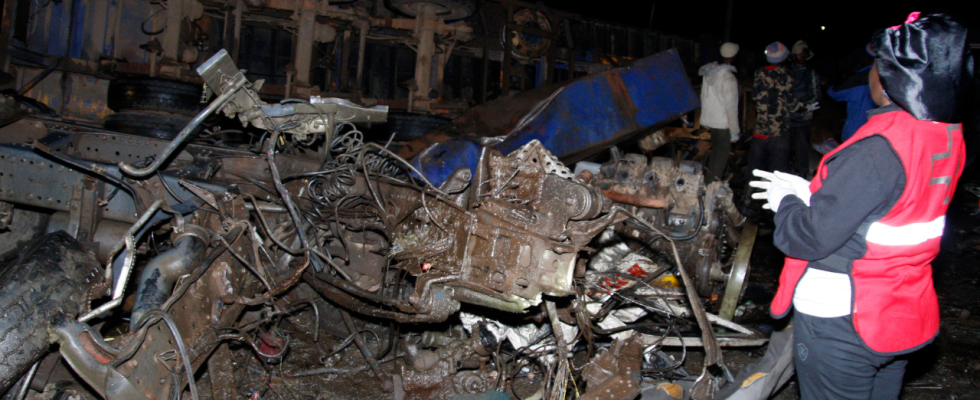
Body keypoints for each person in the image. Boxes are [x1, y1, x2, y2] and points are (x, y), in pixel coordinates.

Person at [750, 12, 972, 400]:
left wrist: (785, 200)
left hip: (845, 318)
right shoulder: (944, 137)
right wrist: (818, 191)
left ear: (889, 79)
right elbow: (890, 205)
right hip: (902, 309)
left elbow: (808, 238)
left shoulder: (878, 150)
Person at [744, 41, 794, 186]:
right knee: (777, 174)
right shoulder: (787, 75)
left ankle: (747, 200)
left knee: (754, 171)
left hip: (759, 132)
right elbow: (791, 103)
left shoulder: (759, 73)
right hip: (779, 134)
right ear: (783, 58)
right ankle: (772, 205)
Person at [699, 42, 741, 181]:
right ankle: (712, 190)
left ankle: (705, 186)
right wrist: (734, 131)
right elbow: (731, 107)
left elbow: (704, 97)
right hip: (724, 126)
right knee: (719, 161)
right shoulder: (728, 78)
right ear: (733, 57)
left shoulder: (709, 73)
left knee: (714, 158)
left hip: (713, 123)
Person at [827, 44, 877, 142]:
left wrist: (829, 81)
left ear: (864, 58)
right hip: (878, 132)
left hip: (856, 132)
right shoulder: (888, 76)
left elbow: (834, 92)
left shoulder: (857, 78)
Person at [787, 41, 821, 177]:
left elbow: (816, 94)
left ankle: (801, 176)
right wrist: (792, 105)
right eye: (799, 53)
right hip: (787, 117)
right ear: (794, 55)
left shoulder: (811, 72)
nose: (802, 55)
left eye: (804, 53)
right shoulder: (786, 70)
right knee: (783, 150)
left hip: (803, 118)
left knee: (801, 150)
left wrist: (805, 106)